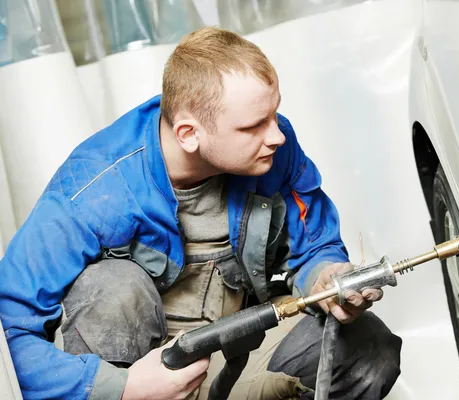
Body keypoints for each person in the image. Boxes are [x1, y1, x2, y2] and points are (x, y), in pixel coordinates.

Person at [0, 27, 402, 400]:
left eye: (274, 115)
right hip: (142, 379)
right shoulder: (93, 187)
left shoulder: (274, 150)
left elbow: (315, 244)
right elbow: (8, 332)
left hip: (234, 353)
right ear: (189, 134)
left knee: (371, 351)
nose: (277, 135)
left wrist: (327, 279)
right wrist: (122, 387)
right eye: (253, 126)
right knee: (113, 287)